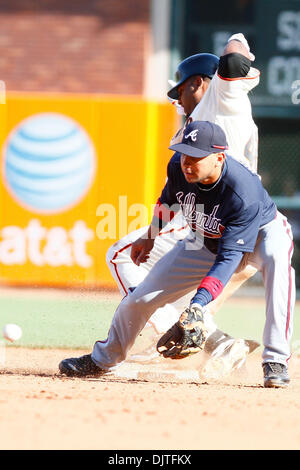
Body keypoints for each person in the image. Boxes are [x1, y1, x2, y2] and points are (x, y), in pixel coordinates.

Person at [59, 120, 295, 388]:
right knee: (140, 299)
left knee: (278, 261)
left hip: (263, 232)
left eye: (196, 156)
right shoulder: (179, 167)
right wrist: (149, 235)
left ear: (219, 158)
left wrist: (198, 303)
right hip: (206, 238)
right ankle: (104, 359)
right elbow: (169, 199)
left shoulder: (242, 193)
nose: (187, 162)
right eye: (184, 153)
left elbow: (229, 260)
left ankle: (275, 359)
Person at [104, 33, 260, 374]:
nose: (179, 100)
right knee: (170, 289)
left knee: (119, 254)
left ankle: (215, 340)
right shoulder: (216, 115)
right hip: (235, 222)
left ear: (200, 84)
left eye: (181, 91)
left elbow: (232, 63)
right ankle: (209, 340)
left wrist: (236, 40)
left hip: (210, 213)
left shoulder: (220, 99)